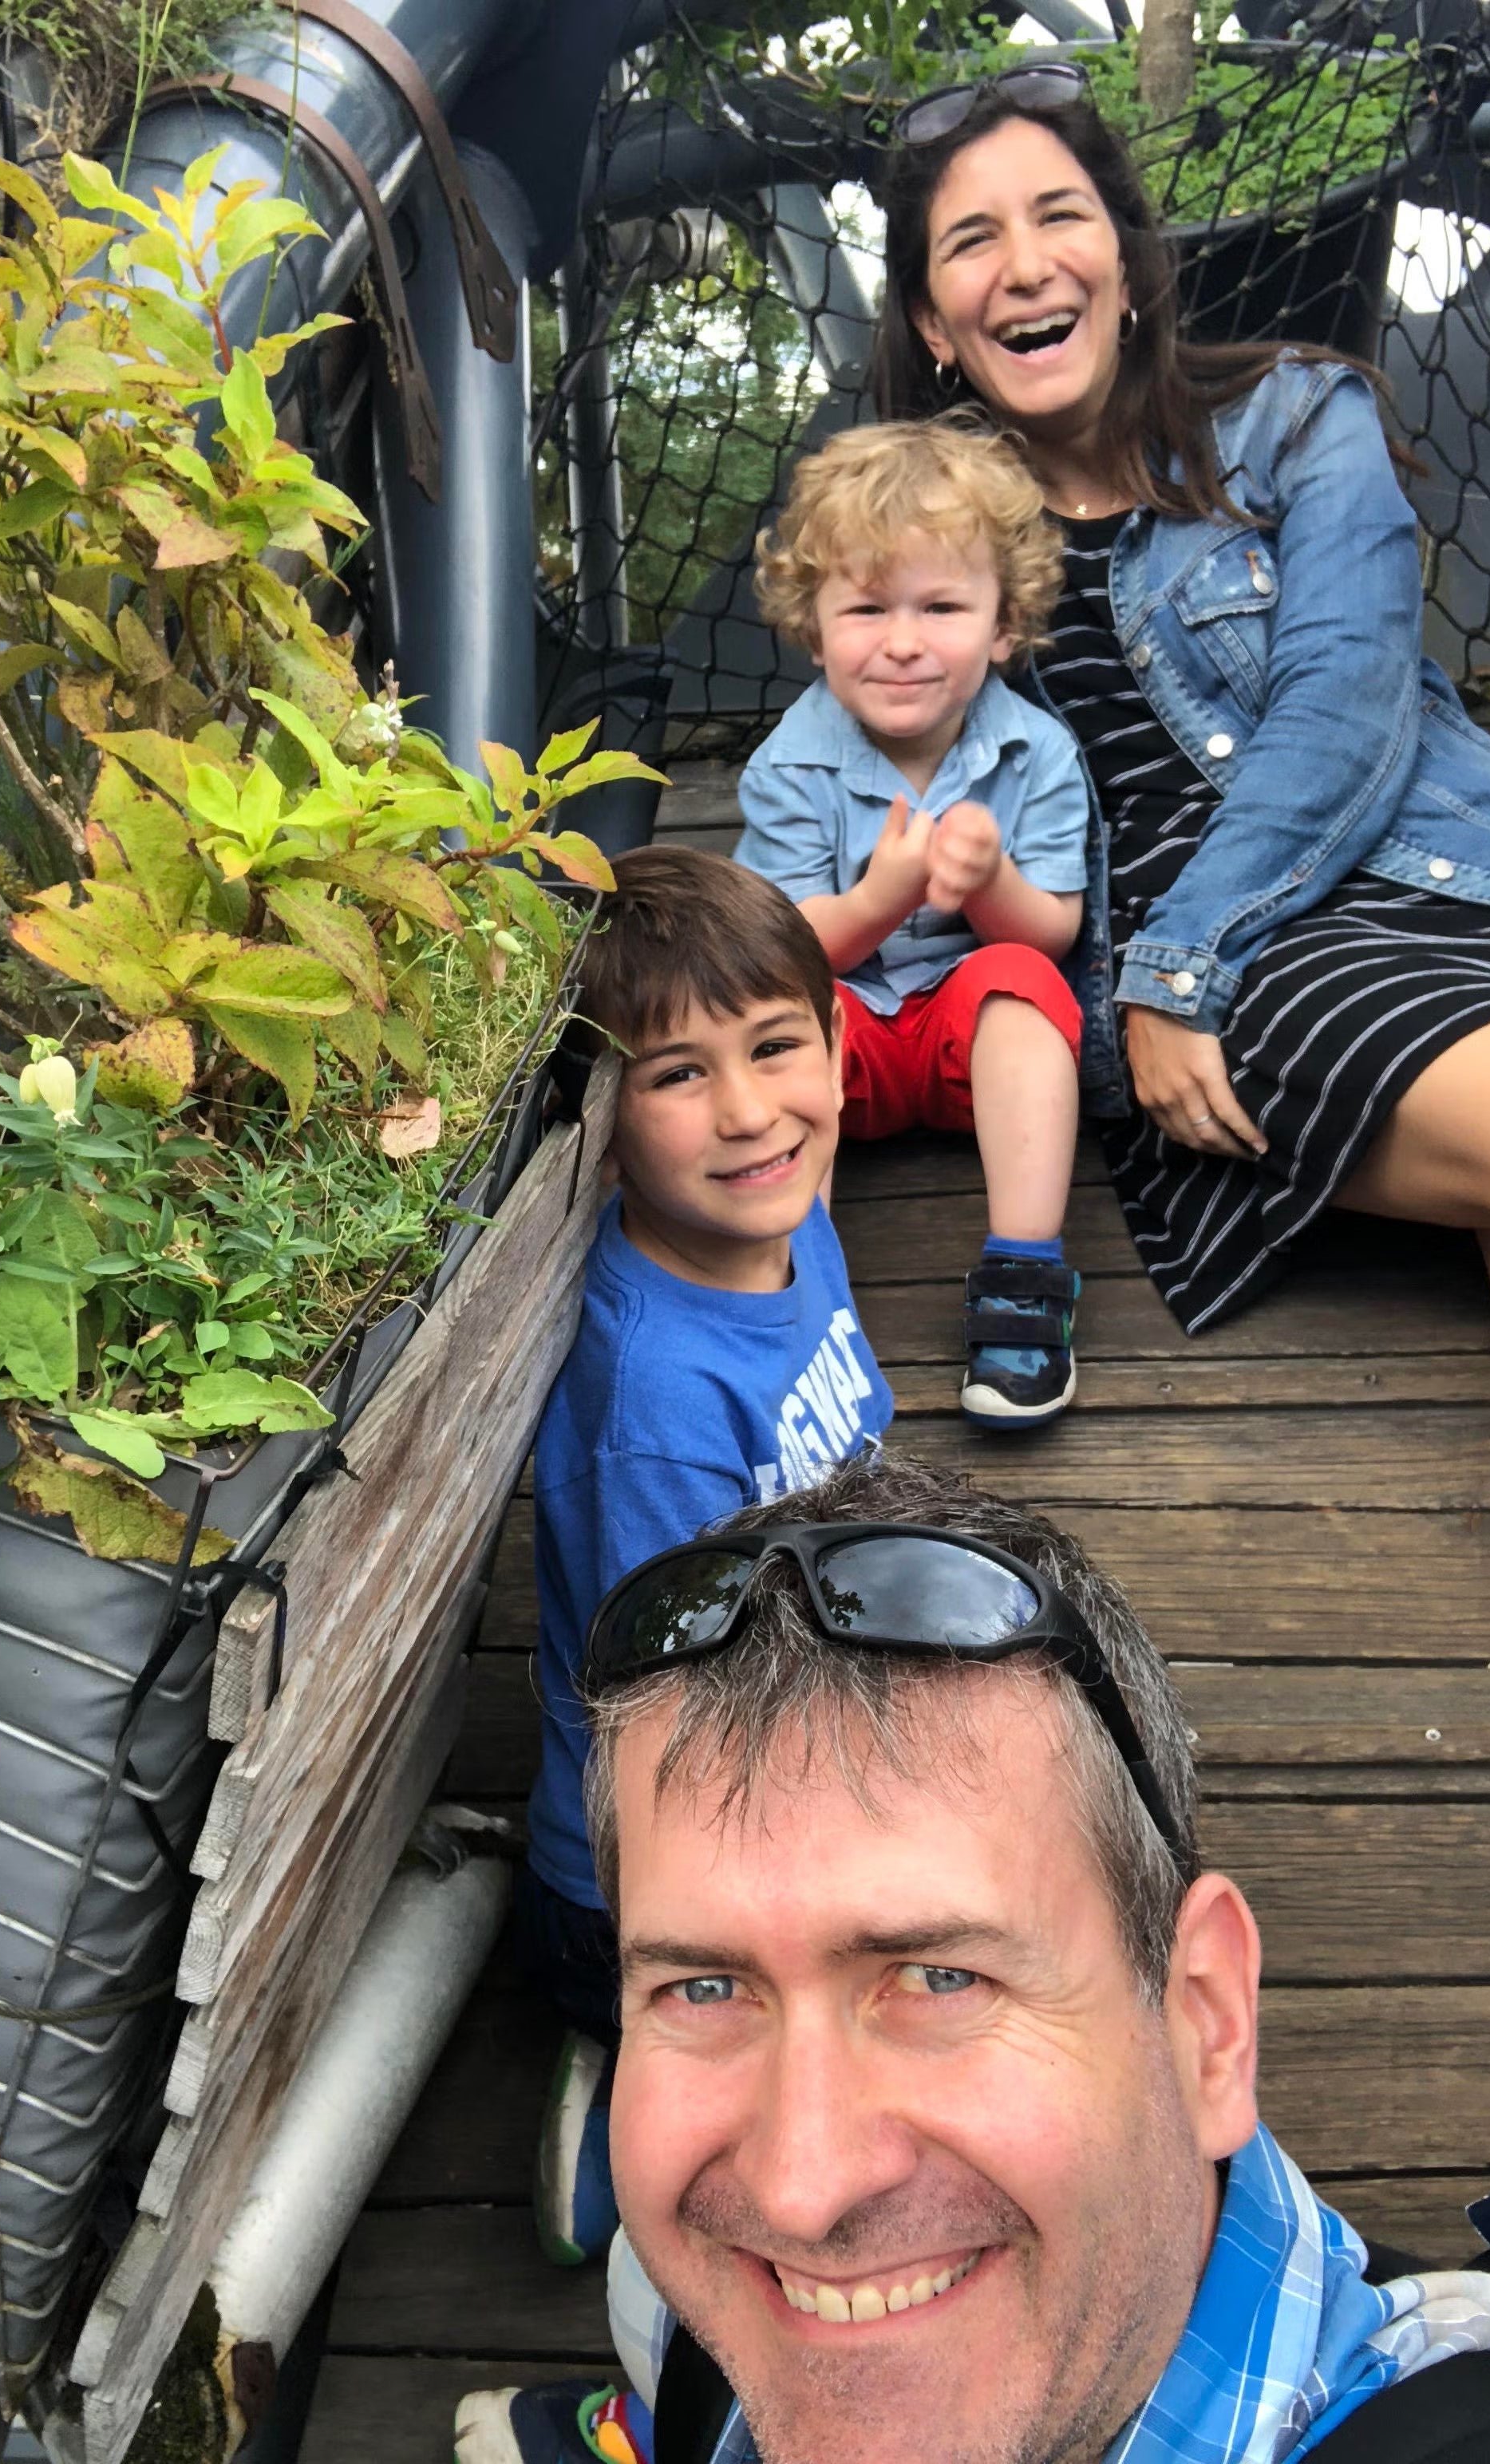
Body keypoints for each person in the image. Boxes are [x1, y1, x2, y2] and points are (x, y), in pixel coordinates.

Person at [864, 63, 1490, 1641]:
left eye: (1058, 216)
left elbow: (1345, 698)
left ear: (1128, 265)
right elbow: (884, 829)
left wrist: (1178, 955)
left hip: (1442, 889)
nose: (1024, 263)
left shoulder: (1295, 414)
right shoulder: (919, 559)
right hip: (1235, 996)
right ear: (935, 324)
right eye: (970, 241)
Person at [456, 1454, 1490, 2464]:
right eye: (704, 1987)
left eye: (938, 1979)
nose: (798, 2192)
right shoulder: (704, 2298)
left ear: (1205, 2021)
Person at [515, 844, 892, 2275]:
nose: (749, 1113)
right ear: (607, 1124)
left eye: (776, 1046)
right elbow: (674, 1732)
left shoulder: (793, 1217)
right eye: (677, 1075)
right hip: (647, 1877)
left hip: (792, 1691)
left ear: (839, 1048)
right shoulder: (660, 1407)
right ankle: (635, 2059)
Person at [736, 420, 1093, 1428]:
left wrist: (987, 885)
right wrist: (879, 899)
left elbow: (1051, 930)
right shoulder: (790, 766)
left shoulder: (1038, 754)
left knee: (1021, 983)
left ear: (1002, 626)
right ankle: (788, 1293)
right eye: (865, 608)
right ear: (814, 629)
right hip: (844, 1025)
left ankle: (1025, 1277)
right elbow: (786, 952)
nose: (901, 640)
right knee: (775, 1032)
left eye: (940, 606)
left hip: (962, 1040)